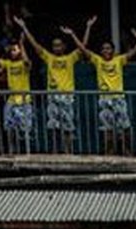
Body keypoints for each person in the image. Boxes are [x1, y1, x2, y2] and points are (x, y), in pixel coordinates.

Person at [66, 21, 136, 155]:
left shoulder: (119, 60)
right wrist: (76, 33)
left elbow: (133, 52)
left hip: (119, 99)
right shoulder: (98, 60)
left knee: (125, 129)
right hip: (104, 100)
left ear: (113, 50)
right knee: (107, 131)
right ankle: (109, 154)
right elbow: (83, 49)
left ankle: (128, 153)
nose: (106, 51)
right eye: (103, 48)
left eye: (108, 48)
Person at [16, 16, 88, 153]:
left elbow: (83, 46)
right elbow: (35, 45)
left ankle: (68, 153)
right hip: (52, 96)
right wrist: (24, 28)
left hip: (67, 97)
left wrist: (74, 34)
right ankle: (55, 152)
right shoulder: (49, 57)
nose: (57, 47)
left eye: (59, 45)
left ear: (64, 47)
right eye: (54, 45)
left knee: (68, 127)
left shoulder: (70, 58)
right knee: (54, 127)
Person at [0, 32, 34, 150]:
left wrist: (22, 44)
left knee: (25, 129)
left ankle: (27, 152)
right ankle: (12, 150)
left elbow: (27, 61)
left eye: (16, 50)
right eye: (12, 50)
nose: (13, 52)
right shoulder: (8, 64)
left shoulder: (24, 64)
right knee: (9, 128)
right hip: (11, 100)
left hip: (24, 100)